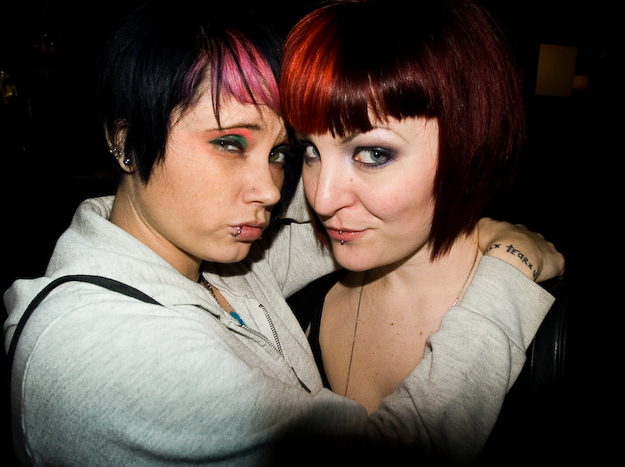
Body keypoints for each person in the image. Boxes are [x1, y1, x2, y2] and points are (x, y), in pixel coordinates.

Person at [3, 0, 561, 465]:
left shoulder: (202, 258)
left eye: (281, 154)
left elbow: (326, 225)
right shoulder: (107, 348)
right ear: (125, 140)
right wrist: (508, 270)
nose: (275, 191)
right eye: (229, 143)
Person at [281, 0, 563, 421]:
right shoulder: (291, 302)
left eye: (373, 154)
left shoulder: (553, 334)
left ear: (466, 147)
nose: (321, 199)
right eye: (310, 150)